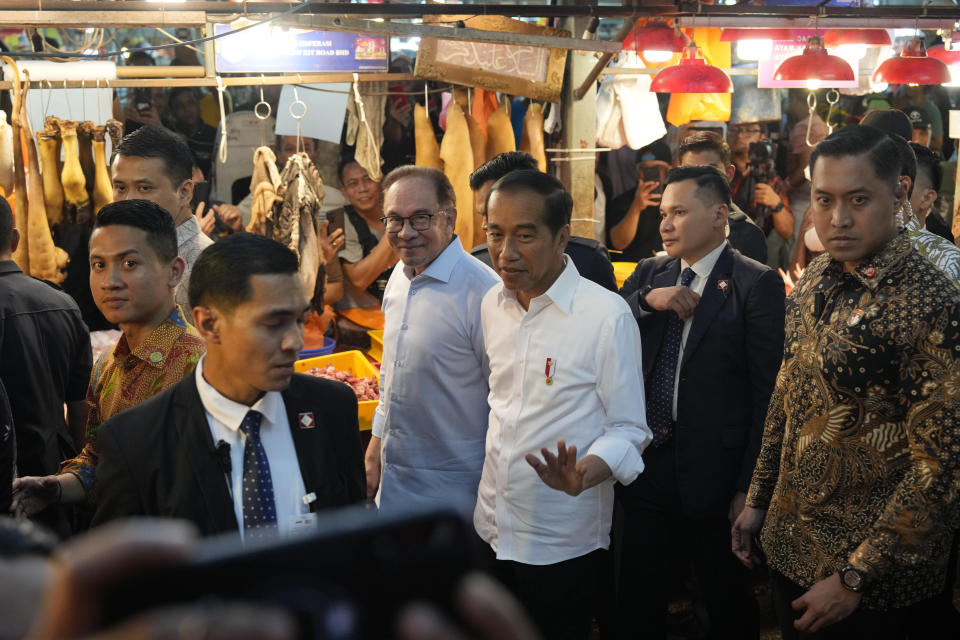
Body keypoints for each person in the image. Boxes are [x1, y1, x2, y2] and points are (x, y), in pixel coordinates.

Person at [732, 125, 960, 639]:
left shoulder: (934, 301)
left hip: (874, 583)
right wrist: (758, 498)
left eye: (858, 200)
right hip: (792, 549)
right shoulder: (816, 276)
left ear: (899, 192)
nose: (837, 219)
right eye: (823, 199)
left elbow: (941, 466)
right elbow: (788, 392)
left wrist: (857, 576)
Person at [475, 169, 651, 640]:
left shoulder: (604, 316)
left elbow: (630, 428)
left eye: (525, 236)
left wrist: (584, 474)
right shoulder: (493, 304)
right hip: (491, 524)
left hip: (560, 539)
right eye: (495, 233)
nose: (505, 252)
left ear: (562, 238)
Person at [91, 233, 365, 537]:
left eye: (300, 320)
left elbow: (355, 536)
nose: (295, 342)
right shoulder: (137, 442)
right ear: (208, 324)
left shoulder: (331, 408)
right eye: (273, 323)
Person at [616, 165, 784, 639]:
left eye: (679, 212)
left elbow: (767, 393)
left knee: (724, 599)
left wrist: (749, 486)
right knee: (638, 596)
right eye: (663, 213)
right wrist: (650, 300)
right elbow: (606, 323)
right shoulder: (652, 272)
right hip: (647, 463)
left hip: (715, 473)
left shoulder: (755, 283)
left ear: (717, 216)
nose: (665, 224)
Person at [11, 200, 205, 519]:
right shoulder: (108, 364)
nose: (109, 281)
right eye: (98, 264)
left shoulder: (199, 366)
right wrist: (56, 487)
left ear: (175, 271)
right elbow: (97, 462)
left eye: (129, 264)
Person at [364, 166, 498, 515]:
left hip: (455, 494)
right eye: (394, 220)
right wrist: (376, 443)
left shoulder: (483, 292)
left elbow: (506, 401)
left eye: (420, 218)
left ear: (449, 217)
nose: (406, 233)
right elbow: (389, 377)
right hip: (393, 485)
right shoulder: (398, 277)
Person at [0, 196, 91, 532]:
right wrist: (79, 477)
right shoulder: (63, 303)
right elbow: (81, 405)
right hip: (53, 478)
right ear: (15, 239)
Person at [469, 151, 618, 292]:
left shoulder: (587, 261)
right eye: (483, 213)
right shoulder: (480, 263)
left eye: (525, 236)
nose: (484, 224)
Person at [111, 125, 214, 312]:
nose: (129, 201)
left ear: (184, 192)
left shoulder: (203, 270)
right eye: (120, 188)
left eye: (144, 188)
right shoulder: (144, 253)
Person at [677, 130, 769, 264]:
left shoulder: (747, 235)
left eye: (710, 170)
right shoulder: (670, 222)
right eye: (690, 171)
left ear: (729, 174)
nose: (700, 179)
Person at [332, 157, 399, 312]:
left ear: (380, 182)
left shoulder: (398, 211)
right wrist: (394, 227)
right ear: (344, 191)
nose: (362, 188)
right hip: (359, 316)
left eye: (368, 179)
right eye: (353, 184)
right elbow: (359, 280)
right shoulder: (337, 221)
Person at [727, 122, 794, 268]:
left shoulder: (768, 177)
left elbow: (787, 231)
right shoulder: (720, 169)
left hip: (754, 258)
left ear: (762, 137)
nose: (739, 135)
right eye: (735, 130)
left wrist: (776, 203)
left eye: (748, 131)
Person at [605, 139, 671, 261]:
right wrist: (635, 208)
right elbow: (618, 243)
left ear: (667, 172)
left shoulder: (676, 201)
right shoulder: (623, 201)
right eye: (644, 169)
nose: (649, 173)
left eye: (657, 168)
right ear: (637, 172)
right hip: (631, 270)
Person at [168, 87, 217, 179]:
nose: (187, 109)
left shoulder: (213, 135)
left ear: (199, 105)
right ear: (173, 112)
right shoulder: (169, 133)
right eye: (179, 106)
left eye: (191, 103)